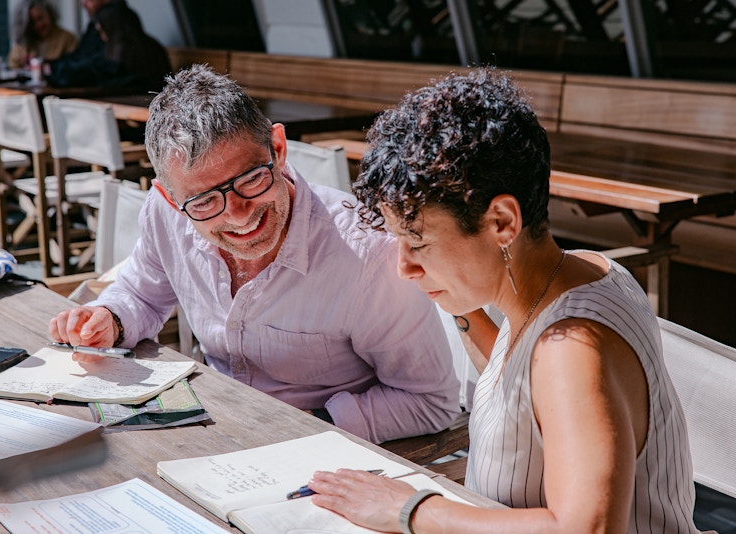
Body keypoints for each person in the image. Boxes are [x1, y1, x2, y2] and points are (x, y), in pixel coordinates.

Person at [308, 68, 698, 533]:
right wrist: (460, 303)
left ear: (501, 222)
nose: (404, 267)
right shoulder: (581, 271)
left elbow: (585, 530)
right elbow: (524, 391)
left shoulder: (571, 349)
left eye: (418, 242)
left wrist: (408, 509)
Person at [48, 64, 461, 445]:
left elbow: (429, 401)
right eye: (206, 202)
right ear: (169, 199)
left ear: (278, 149)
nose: (239, 214)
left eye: (251, 179)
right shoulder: (165, 215)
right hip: (208, 430)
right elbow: (141, 295)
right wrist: (111, 318)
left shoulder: (369, 255)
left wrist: (306, 426)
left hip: (316, 454)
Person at [7, 0, 77, 70]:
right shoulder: (22, 43)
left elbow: (76, 66)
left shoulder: (67, 39)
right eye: (32, 22)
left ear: (49, 14)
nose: (38, 25)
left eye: (40, 18)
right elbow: (12, 66)